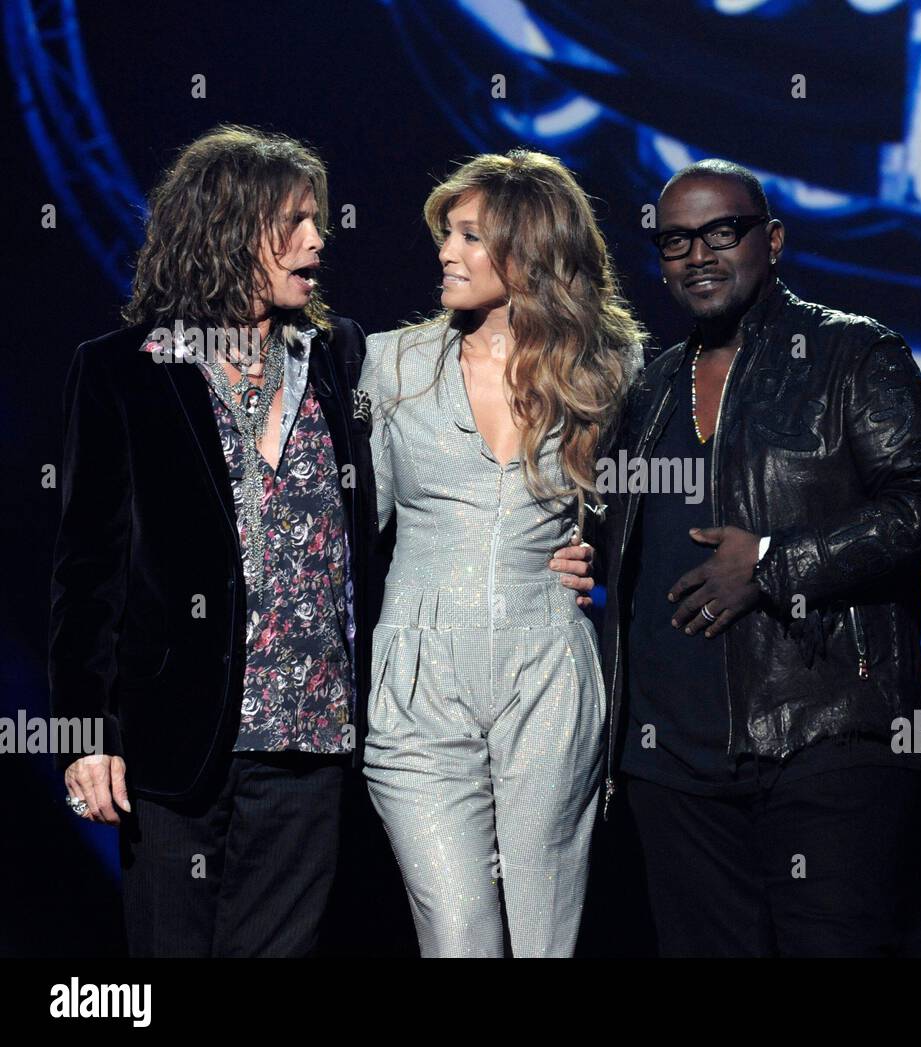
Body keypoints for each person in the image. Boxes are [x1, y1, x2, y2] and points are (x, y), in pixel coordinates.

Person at [594, 159, 921, 956]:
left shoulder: (851, 354)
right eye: (675, 241)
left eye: (722, 232)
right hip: (672, 763)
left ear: (774, 239)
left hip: (820, 736)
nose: (698, 255)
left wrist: (772, 562)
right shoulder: (651, 388)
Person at [49, 125, 379, 956]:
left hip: (311, 735)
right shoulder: (123, 369)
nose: (319, 239)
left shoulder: (338, 357)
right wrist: (84, 733)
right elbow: (87, 570)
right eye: (296, 220)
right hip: (177, 736)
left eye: (320, 219)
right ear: (229, 230)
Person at [360, 149, 640, 957]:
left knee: (547, 931)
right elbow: (351, 525)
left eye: (470, 235)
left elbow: (639, 507)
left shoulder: (606, 368)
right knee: (457, 931)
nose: (446, 251)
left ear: (530, 251)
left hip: (546, 664)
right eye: (447, 233)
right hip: (417, 675)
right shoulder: (390, 364)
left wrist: (599, 553)